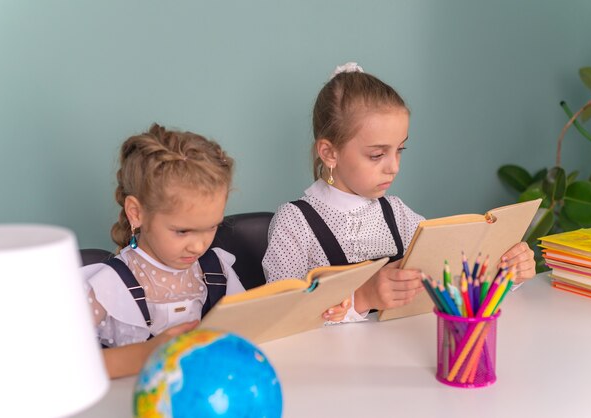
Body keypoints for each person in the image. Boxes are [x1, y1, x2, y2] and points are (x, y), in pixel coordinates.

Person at [262, 62, 535, 322]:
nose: (393, 167)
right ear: (329, 153)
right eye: (377, 154)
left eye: (399, 150)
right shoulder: (294, 223)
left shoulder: (397, 213)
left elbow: (449, 283)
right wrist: (364, 296)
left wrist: (506, 273)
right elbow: (280, 319)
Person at [81, 124, 244, 378]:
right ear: (136, 212)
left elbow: (248, 330)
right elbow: (57, 362)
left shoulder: (217, 269)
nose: (199, 246)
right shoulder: (107, 286)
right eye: (182, 231)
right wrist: (148, 352)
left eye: (212, 227)